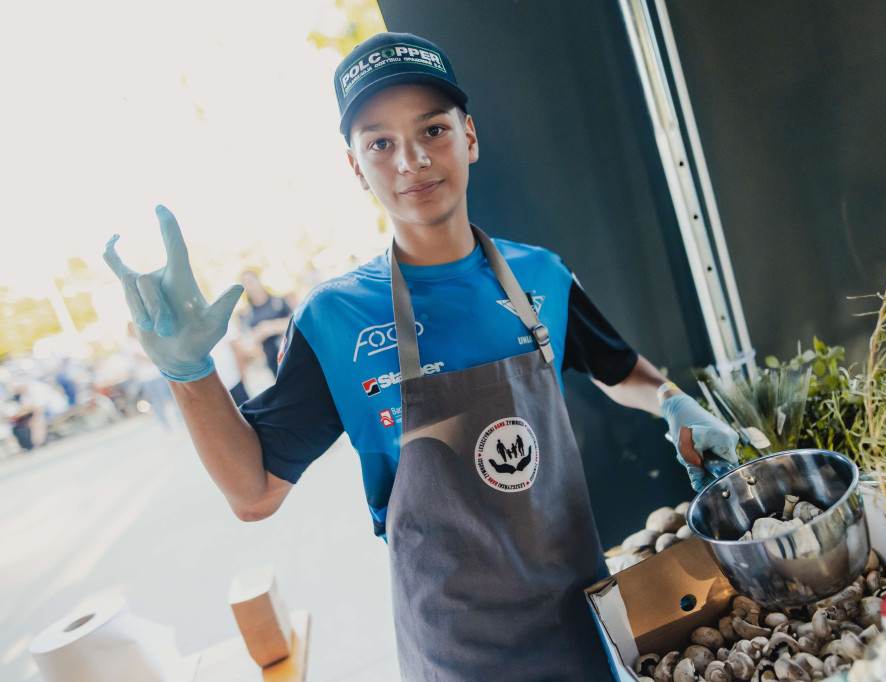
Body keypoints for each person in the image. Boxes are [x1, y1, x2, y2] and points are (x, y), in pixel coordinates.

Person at [102, 32, 740, 680]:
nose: (410, 159)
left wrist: (671, 400)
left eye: (432, 129)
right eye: (380, 142)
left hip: (585, 622)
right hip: (456, 646)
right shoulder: (334, 319)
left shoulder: (541, 277)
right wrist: (191, 374)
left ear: (469, 137)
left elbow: (619, 368)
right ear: (356, 167)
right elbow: (254, 492)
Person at [239, 269, 292, 375]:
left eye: (250, 282)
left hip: (291, 354)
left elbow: (293, 322)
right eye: (245, 284)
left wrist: (269, 327)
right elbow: (246, 342)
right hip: (272, 363)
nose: (249, 287)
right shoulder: (246, 314)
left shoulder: (278, 301)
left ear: (258, 280)